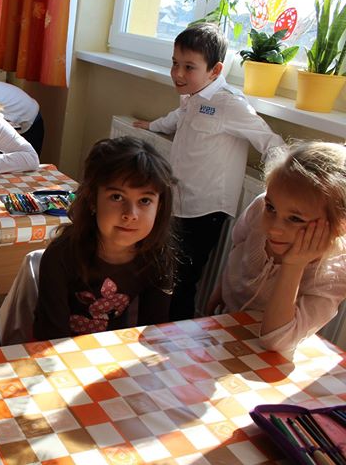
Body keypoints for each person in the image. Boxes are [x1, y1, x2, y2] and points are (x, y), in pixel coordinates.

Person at [133, 23, 284, 321]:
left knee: (183, 281)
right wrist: (152, 126)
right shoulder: (193, 94)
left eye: (189, 67)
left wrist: (285, 185)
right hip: (179, 201)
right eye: (175, 63)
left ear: (215, 70)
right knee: (164, 272)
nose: (178, 73)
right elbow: (178, 117)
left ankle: (177, 336)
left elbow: (270, 141)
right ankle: (153, 326)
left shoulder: (230, 104)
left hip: (206, 210)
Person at [206, 142, 346, 353]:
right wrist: (221, 289)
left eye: (295, 219)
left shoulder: (333, 274)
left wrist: (294, 266)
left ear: (340, 226)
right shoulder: (260, 206)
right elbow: (238, 244)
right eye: (271, 208)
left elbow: (276, 340)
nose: (274, 229)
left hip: (264, 355)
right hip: (226, 323)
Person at [32, 137, 177, 340]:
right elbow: (51, 337)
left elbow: (153, 333)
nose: (131, 214)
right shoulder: (60, 257)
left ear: (159, 207)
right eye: (117, 197)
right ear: (93, 200)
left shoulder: (157, 257)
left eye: (145, 200)